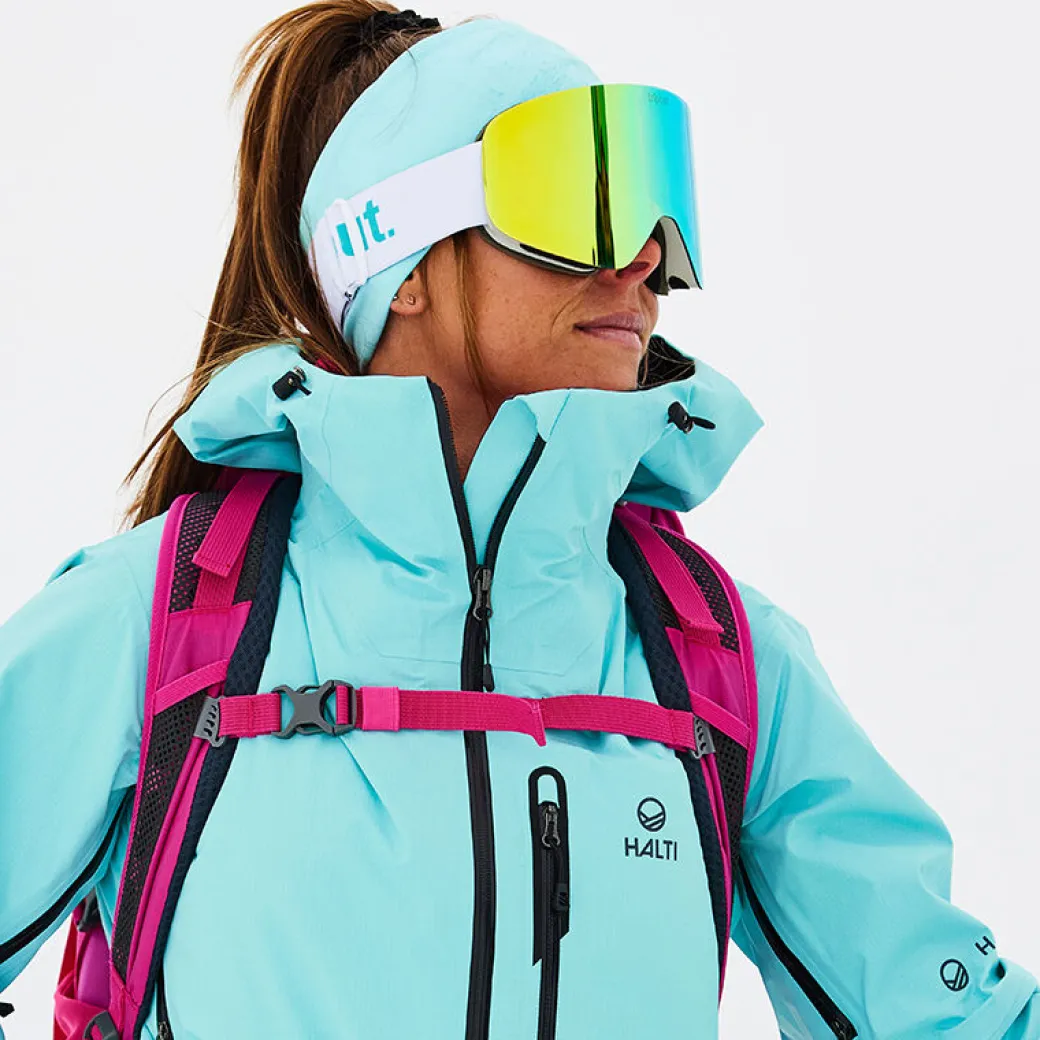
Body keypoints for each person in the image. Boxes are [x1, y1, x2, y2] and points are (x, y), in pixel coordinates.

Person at [0, 3, 1036, 1038]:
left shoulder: (718, 658)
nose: (642, 257)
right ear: (399, 261)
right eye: (573, 197)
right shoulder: (157, 625)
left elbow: (950, 1016)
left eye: (652, 204)